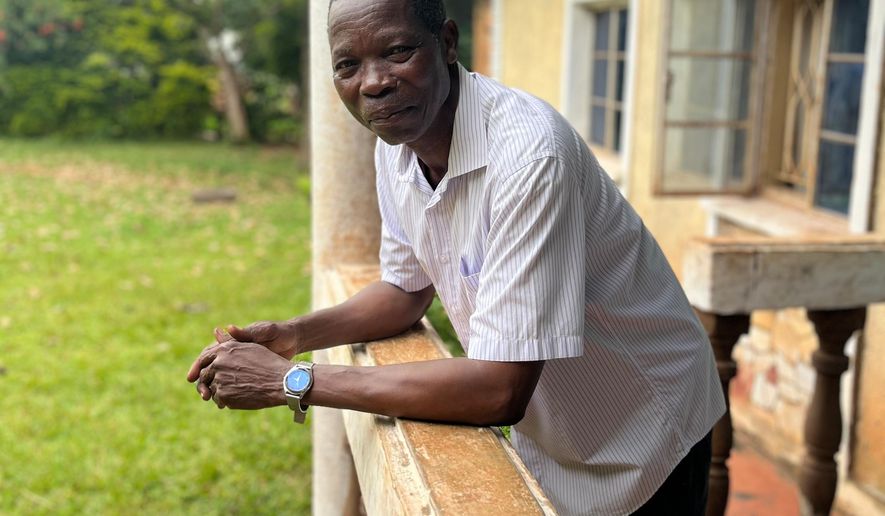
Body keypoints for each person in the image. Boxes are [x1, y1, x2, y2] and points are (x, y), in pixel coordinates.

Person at [186, 0, 725, 513]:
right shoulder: (396, 146)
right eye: (348, 64)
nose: (373, 83)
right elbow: (403, 291)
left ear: (446, 42)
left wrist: (294, 382)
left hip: (648, 432)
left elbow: (499, 389)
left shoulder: (529, 158)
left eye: (397, 51)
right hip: (557, 432)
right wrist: (292, 335)